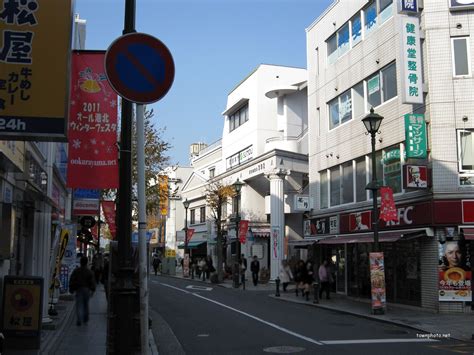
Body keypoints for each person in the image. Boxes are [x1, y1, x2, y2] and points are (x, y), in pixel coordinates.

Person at [69, 256, 96, 326]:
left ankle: (79, 319)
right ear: (87, 263)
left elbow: (72, 279)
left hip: (79, 289)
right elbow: (92, 282)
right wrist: (93, 290)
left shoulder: (76, 271)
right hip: (86, 290)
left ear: (80, 262)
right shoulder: (89, 271)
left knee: (79, 305)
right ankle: (85, 318)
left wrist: (71, 289)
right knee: (85, 305)